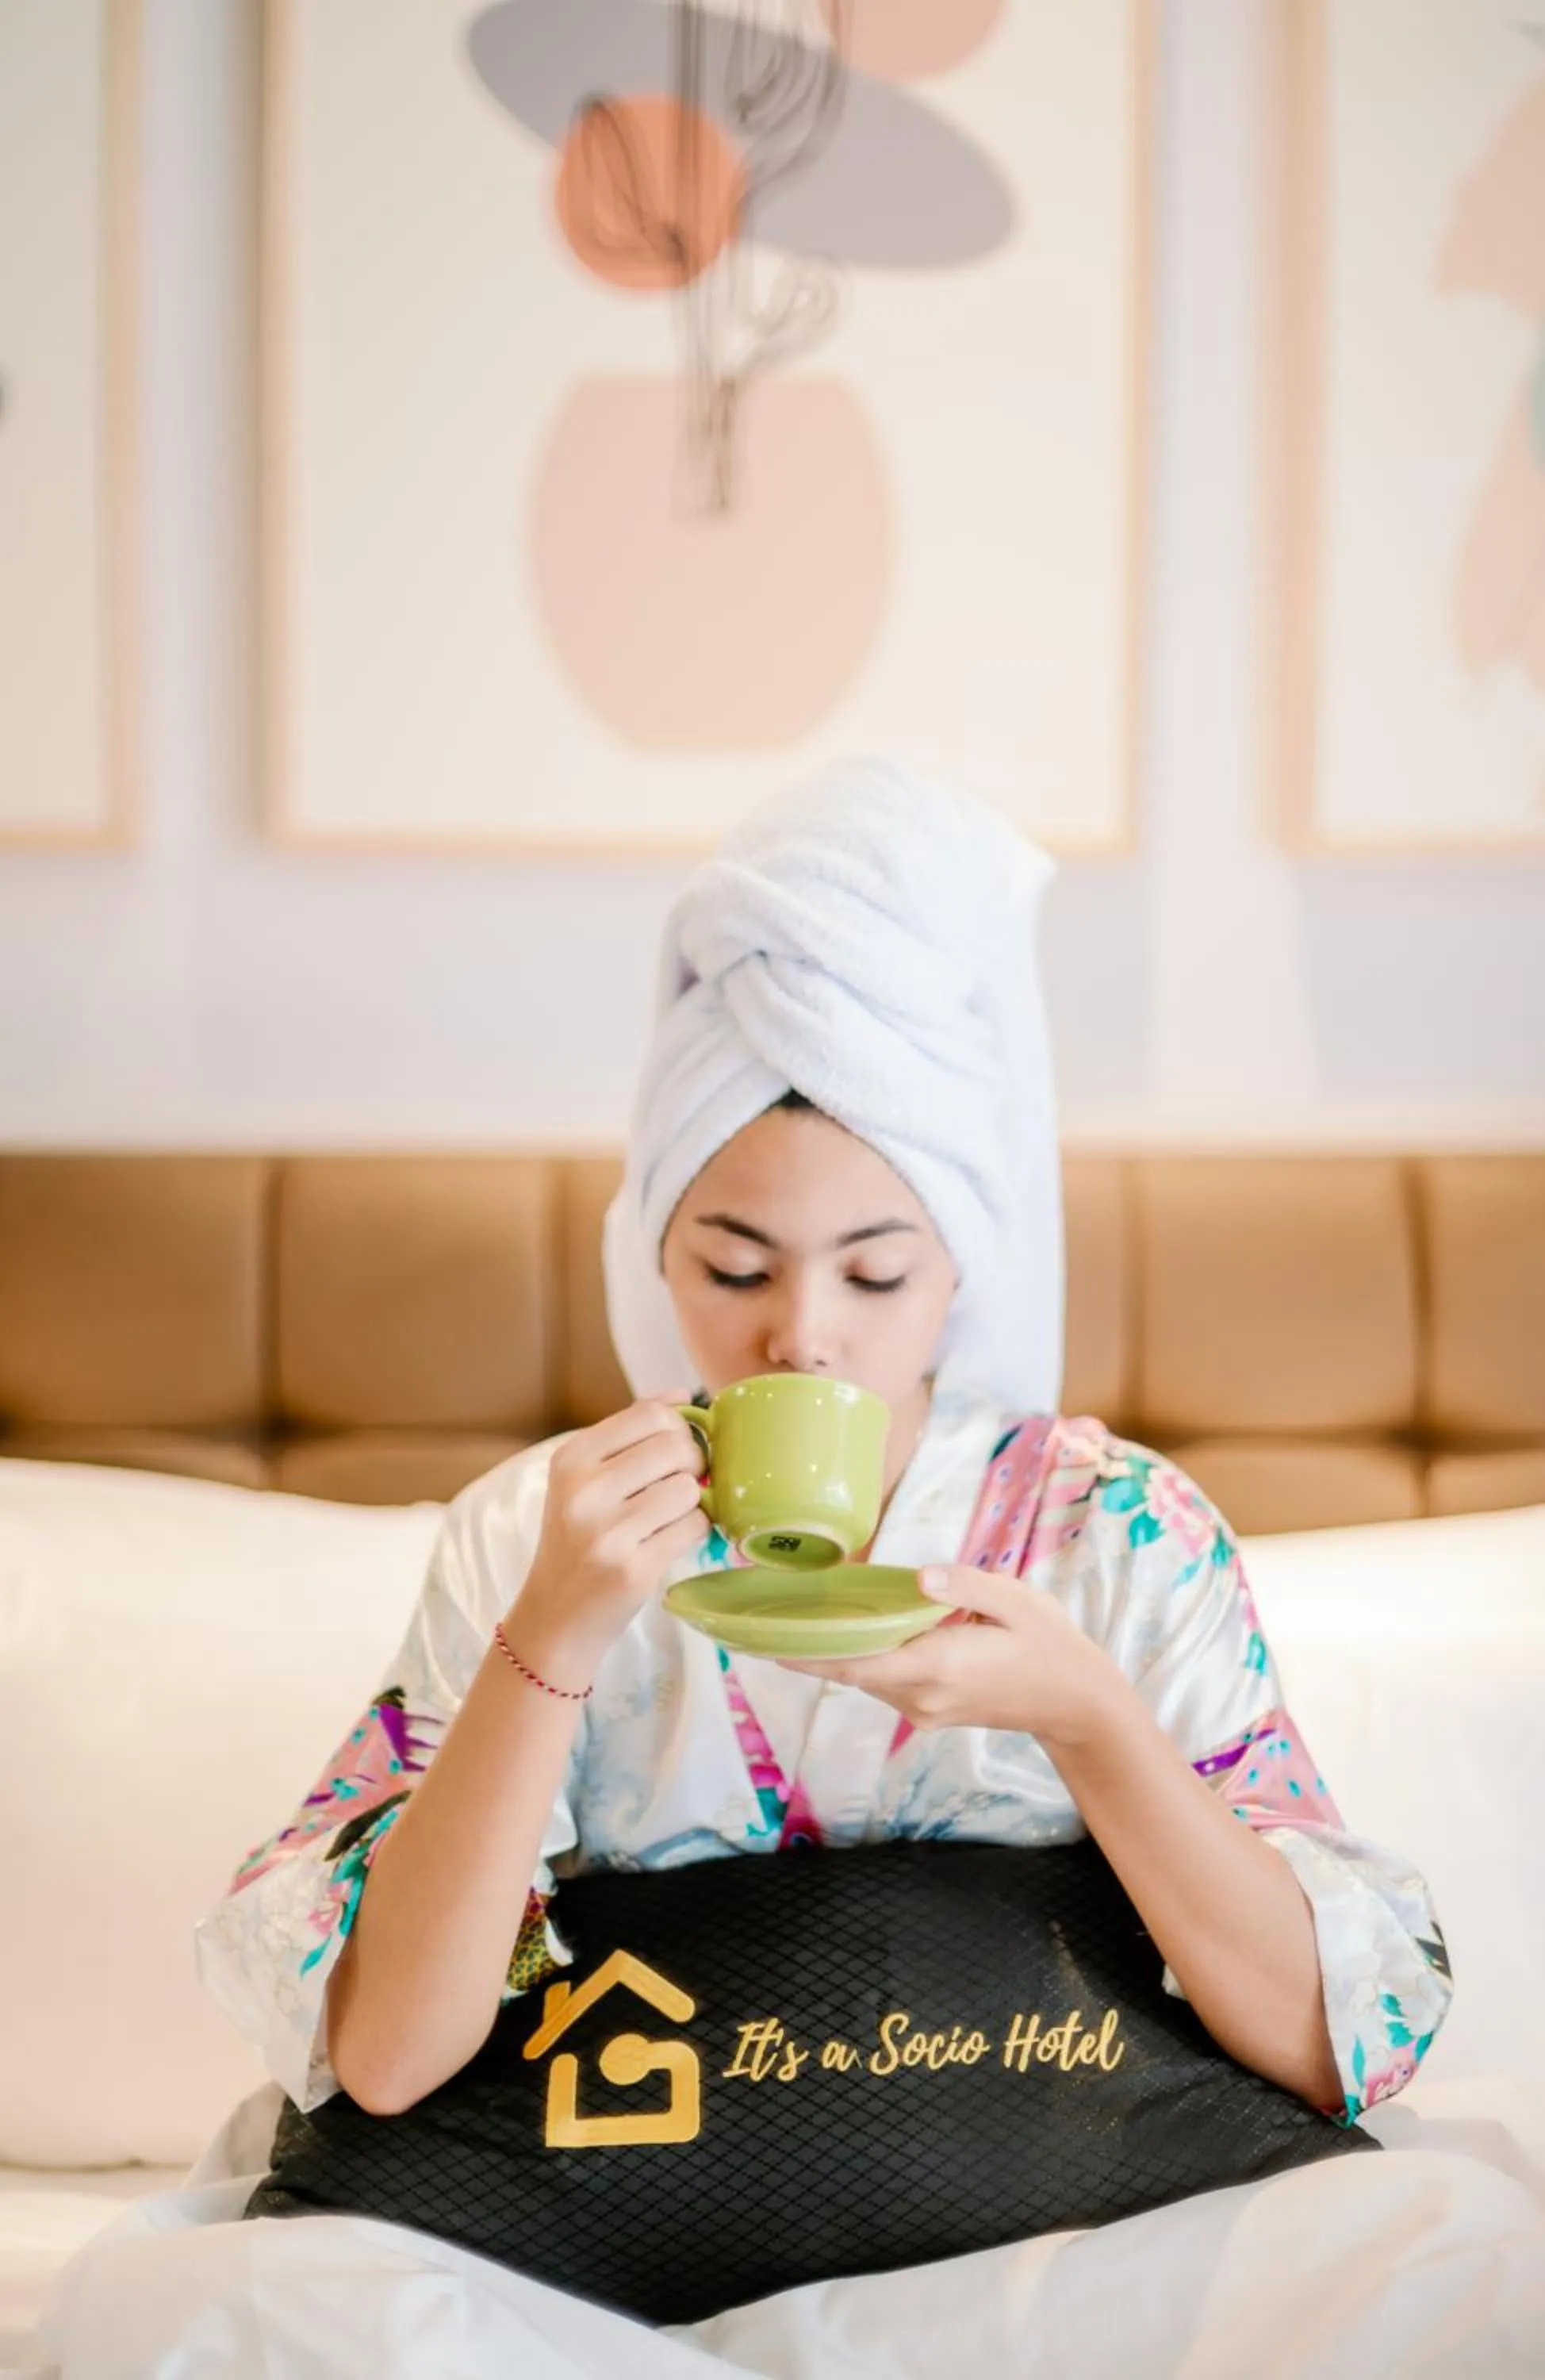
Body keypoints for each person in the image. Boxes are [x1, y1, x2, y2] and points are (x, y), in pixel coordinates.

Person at [194, 758, 1451, 2143]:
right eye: (733, 1270)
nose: (801, 1337)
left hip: (1047, 2230)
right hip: (637, 2242)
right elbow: (384, 2058)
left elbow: (1333, 2051)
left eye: (876, 1275)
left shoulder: (1116, 1532)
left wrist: (1088, 1719)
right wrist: (550, 1637)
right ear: (650, 1259)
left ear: (964, 1272)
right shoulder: (534, 1536)